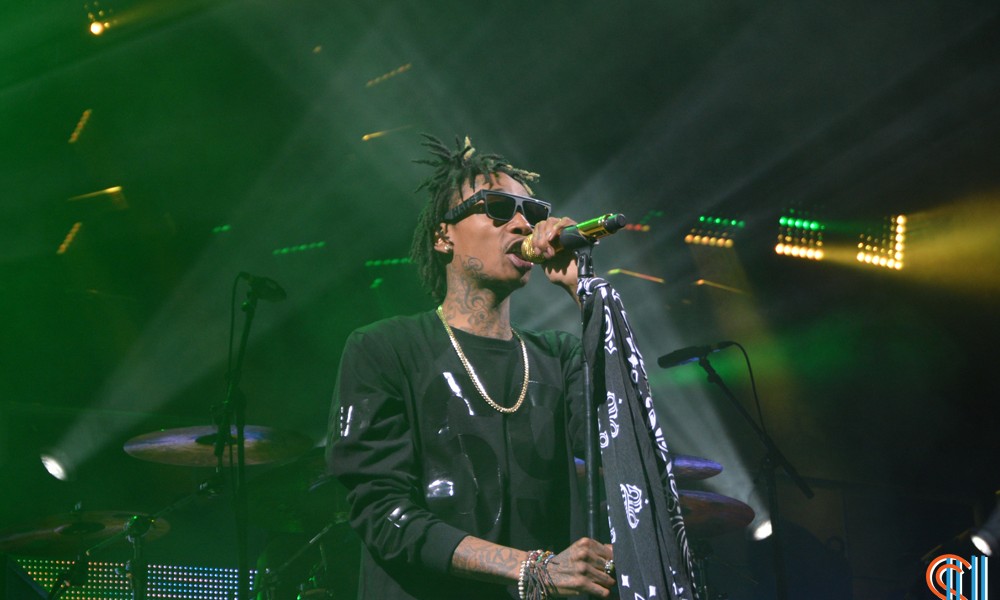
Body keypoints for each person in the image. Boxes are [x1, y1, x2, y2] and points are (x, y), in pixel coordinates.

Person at [326, 135, 615, 599]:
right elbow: (381, 511)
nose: (522, 224)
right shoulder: (384, 348)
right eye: (498, 208)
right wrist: (532, 569)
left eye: (532, 212)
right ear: (444, 236)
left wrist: (586, 293)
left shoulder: (559, 357)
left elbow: (624, 446)